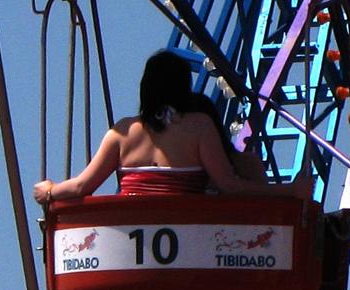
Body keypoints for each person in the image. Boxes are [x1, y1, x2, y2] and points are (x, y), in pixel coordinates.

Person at [32, 50, 280, 205]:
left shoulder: (121, 132)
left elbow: (81, 186)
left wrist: (50, 190)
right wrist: (289, 191)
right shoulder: (199, 126)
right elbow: (229, 184)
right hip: (185, 234)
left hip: (131, 236)